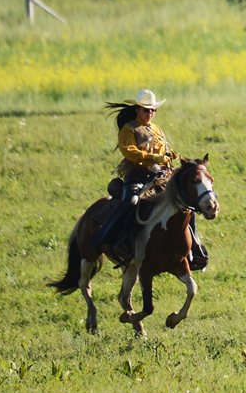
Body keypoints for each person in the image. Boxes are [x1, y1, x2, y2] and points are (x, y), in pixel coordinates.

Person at [90, 89, 209, 270]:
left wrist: (168, 156)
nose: (150, 113)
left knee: (186, 204)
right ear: (137, 109)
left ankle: (195, 251)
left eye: (153, 110)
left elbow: (161, 152)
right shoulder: (128, 129)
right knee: (131, 201)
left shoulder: (156, 129)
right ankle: (111, 239)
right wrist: (154, 158)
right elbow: (130, 152)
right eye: (146, 110)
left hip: (160, 177)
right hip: (138, 176)